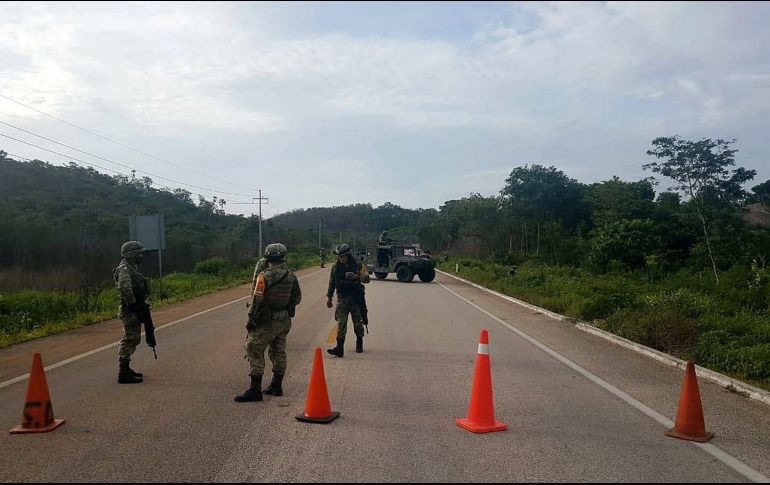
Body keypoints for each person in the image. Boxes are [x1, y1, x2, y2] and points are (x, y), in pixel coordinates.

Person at [236, 243, 302, 403]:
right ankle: (276, 385)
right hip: (284, 320)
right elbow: (297, 298)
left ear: (267, 257)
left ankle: (255, 389)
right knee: (278, 351)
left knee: (253, 347)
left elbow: (256, 300)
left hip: (266, 320)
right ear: (283, 257)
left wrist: (250, 320)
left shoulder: (263, 276)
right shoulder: (291, 275)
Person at [113, 241, 151, 384]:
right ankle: (123, 372)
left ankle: (126, 369)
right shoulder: (124, 269)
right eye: (139, 253)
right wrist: (134, 306)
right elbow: (125, 288)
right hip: (129, 309)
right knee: (130, 339)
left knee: (134, 338)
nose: (141, 256)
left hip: (134, 307)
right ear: (132, 254)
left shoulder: (131, 268)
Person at [326, 243, 370, 357]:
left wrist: (356, 277)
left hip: (355, 299)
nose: (341, 258)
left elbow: (367, 278)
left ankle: (359, 342)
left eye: (343, 256)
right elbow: (332, 283)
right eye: (339, 256)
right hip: (342, 299)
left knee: (357, 323)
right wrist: (329, 297)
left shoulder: (358, 265)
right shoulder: (335, 268)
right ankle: (339, 348)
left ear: (348, 255)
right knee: (341, 324)